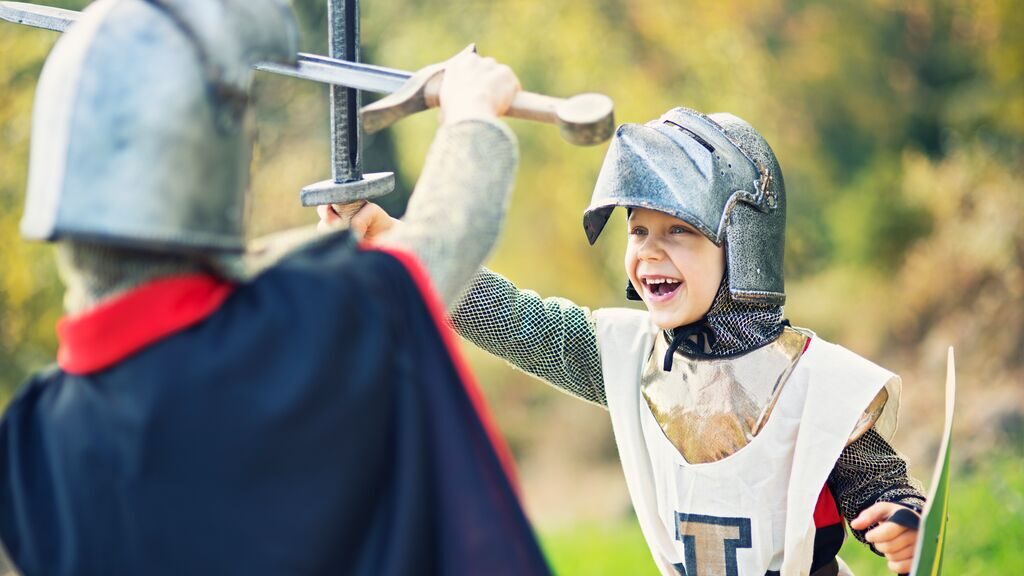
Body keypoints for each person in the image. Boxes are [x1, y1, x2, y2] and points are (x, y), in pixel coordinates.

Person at [0, 0, 551, 574]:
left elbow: (185, 307)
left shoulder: (30, 440)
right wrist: (472, 117)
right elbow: (446, 237)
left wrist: (337, 251)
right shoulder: (294, 331)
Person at [323, 108, 926, 575]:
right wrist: (403, 243)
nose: (649, 250)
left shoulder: (814, 385)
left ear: (739, 241)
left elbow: (883, 490)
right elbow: (507, 316)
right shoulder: (629, 357)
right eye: (638, 230)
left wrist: (904, 522)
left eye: (678, 230)